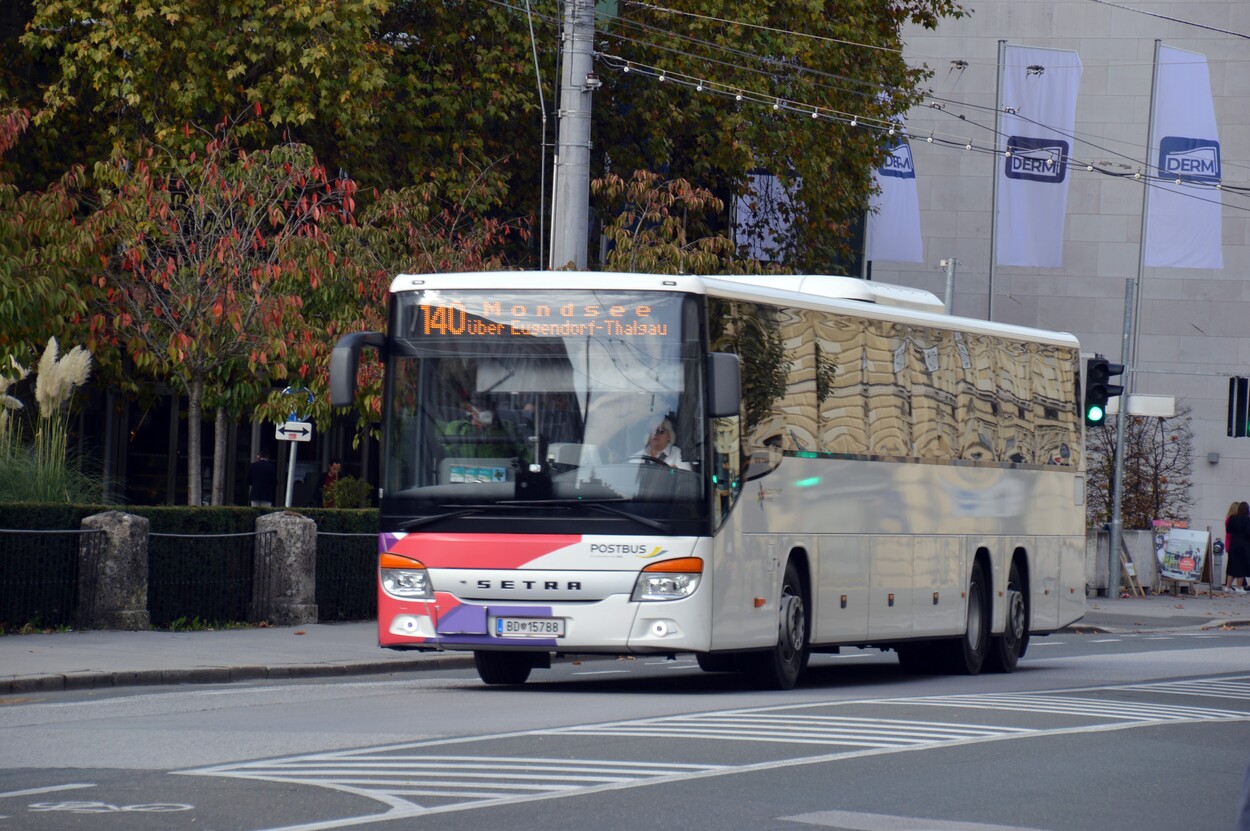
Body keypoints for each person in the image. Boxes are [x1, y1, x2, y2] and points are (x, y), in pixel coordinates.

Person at [1225, 501, 1250, 594]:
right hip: (1243, 545)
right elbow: (1248, 532)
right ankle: (1239, 587)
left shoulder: (1232, 518)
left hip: (1233, 543)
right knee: (1242, 566)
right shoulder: (1247, 520)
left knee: (1232, 565)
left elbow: (1229, 530)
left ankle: (1227, 586)